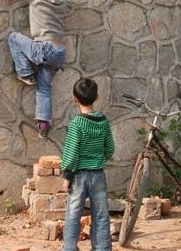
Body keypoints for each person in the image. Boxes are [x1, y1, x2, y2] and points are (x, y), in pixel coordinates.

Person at [8, 0, 67, 138]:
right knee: (44, 87)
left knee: (13, 37)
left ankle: (26, 73)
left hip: (43, 48)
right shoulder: (63, 1)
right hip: (59, 53)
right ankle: (43, 125)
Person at [61, 78, 115, 251]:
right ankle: (103, 248)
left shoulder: (77, 124)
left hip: (78, 176)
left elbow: (71, 153)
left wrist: (67, 176)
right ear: (97, 96)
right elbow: (110, 149)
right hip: (98, 175)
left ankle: (70, 248)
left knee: (73, 214)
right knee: (101, 215)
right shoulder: (104, 122)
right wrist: (99, 160)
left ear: (74, 99)